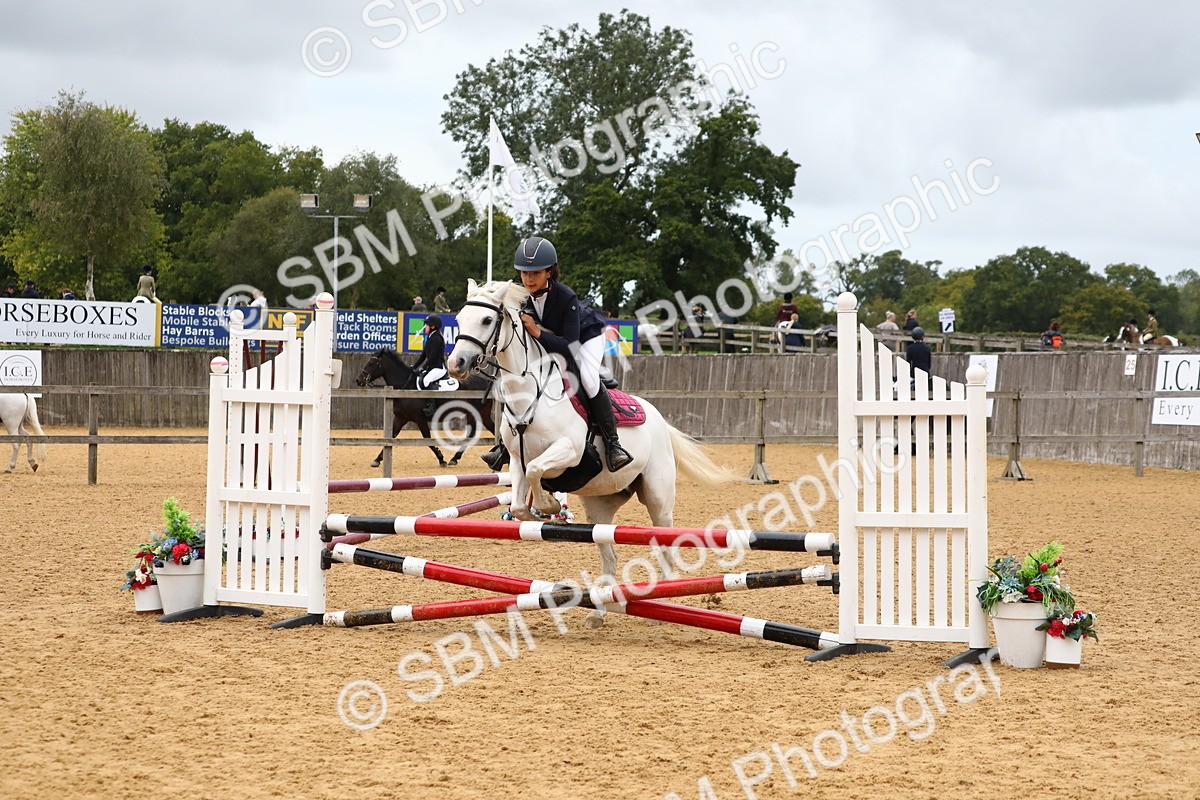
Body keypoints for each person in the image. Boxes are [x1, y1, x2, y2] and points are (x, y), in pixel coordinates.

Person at [507, 235, 633, 472]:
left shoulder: (566, 296)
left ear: (549, 272)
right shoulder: (522, 298)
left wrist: (536, 331)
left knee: (588, 378)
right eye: (524, 273)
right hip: (554, 340)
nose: (528, 279)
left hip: (585, 338)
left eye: (535, 273)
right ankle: (507, 445)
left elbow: (569, 345)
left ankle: (613, 444)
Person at [412, 315, 447, 418]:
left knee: (426, 380)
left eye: (426, 325)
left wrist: (422, 368)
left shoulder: (437, 338)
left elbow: (432, 357)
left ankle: (432, 407)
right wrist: (414, 367)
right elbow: (423, 356)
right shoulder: (430, 337)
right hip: (432, 367)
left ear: (432, 326)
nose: (425, 327)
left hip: (439, 368)